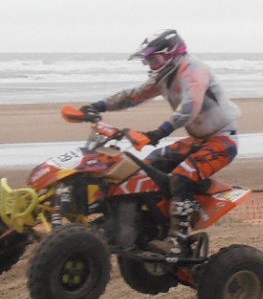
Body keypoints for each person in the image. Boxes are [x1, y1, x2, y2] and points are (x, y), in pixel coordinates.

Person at [81, 29, 241, 256]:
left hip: (222, 140)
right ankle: (154, 224)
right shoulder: (165, 76)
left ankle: (178, 240)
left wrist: (159, 132)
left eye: (154, 59)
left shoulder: (194, 70)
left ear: (172, 54)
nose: (151, 65)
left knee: (182, 175)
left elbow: (190, 107)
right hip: (198, 140)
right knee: (149, 165)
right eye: (148, 61)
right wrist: (98, 106)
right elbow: (133, 96)